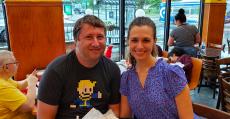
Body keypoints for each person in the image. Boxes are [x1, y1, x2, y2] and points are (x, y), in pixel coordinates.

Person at [37, 15, 121, 119]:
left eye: (100, 37)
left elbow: (115, 110)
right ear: (76, 41)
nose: (96, 43)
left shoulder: (113, 69)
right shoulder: (55, 71)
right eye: (89, 37)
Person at [120, 17, 195, 119]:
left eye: (146, 40)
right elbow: (125, 116)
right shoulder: (126, 78)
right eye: (134, 40)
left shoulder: (171, 73)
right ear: (128, 41)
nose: (140, 46)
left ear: (154, 41)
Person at [0, 50, 38, 119]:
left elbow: (19, 85)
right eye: (15, 62)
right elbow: (28, 106)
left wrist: (29, 79)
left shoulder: (4, 78)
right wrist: (31, 84)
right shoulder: (2, 87)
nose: (17, 65)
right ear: (6, 67)